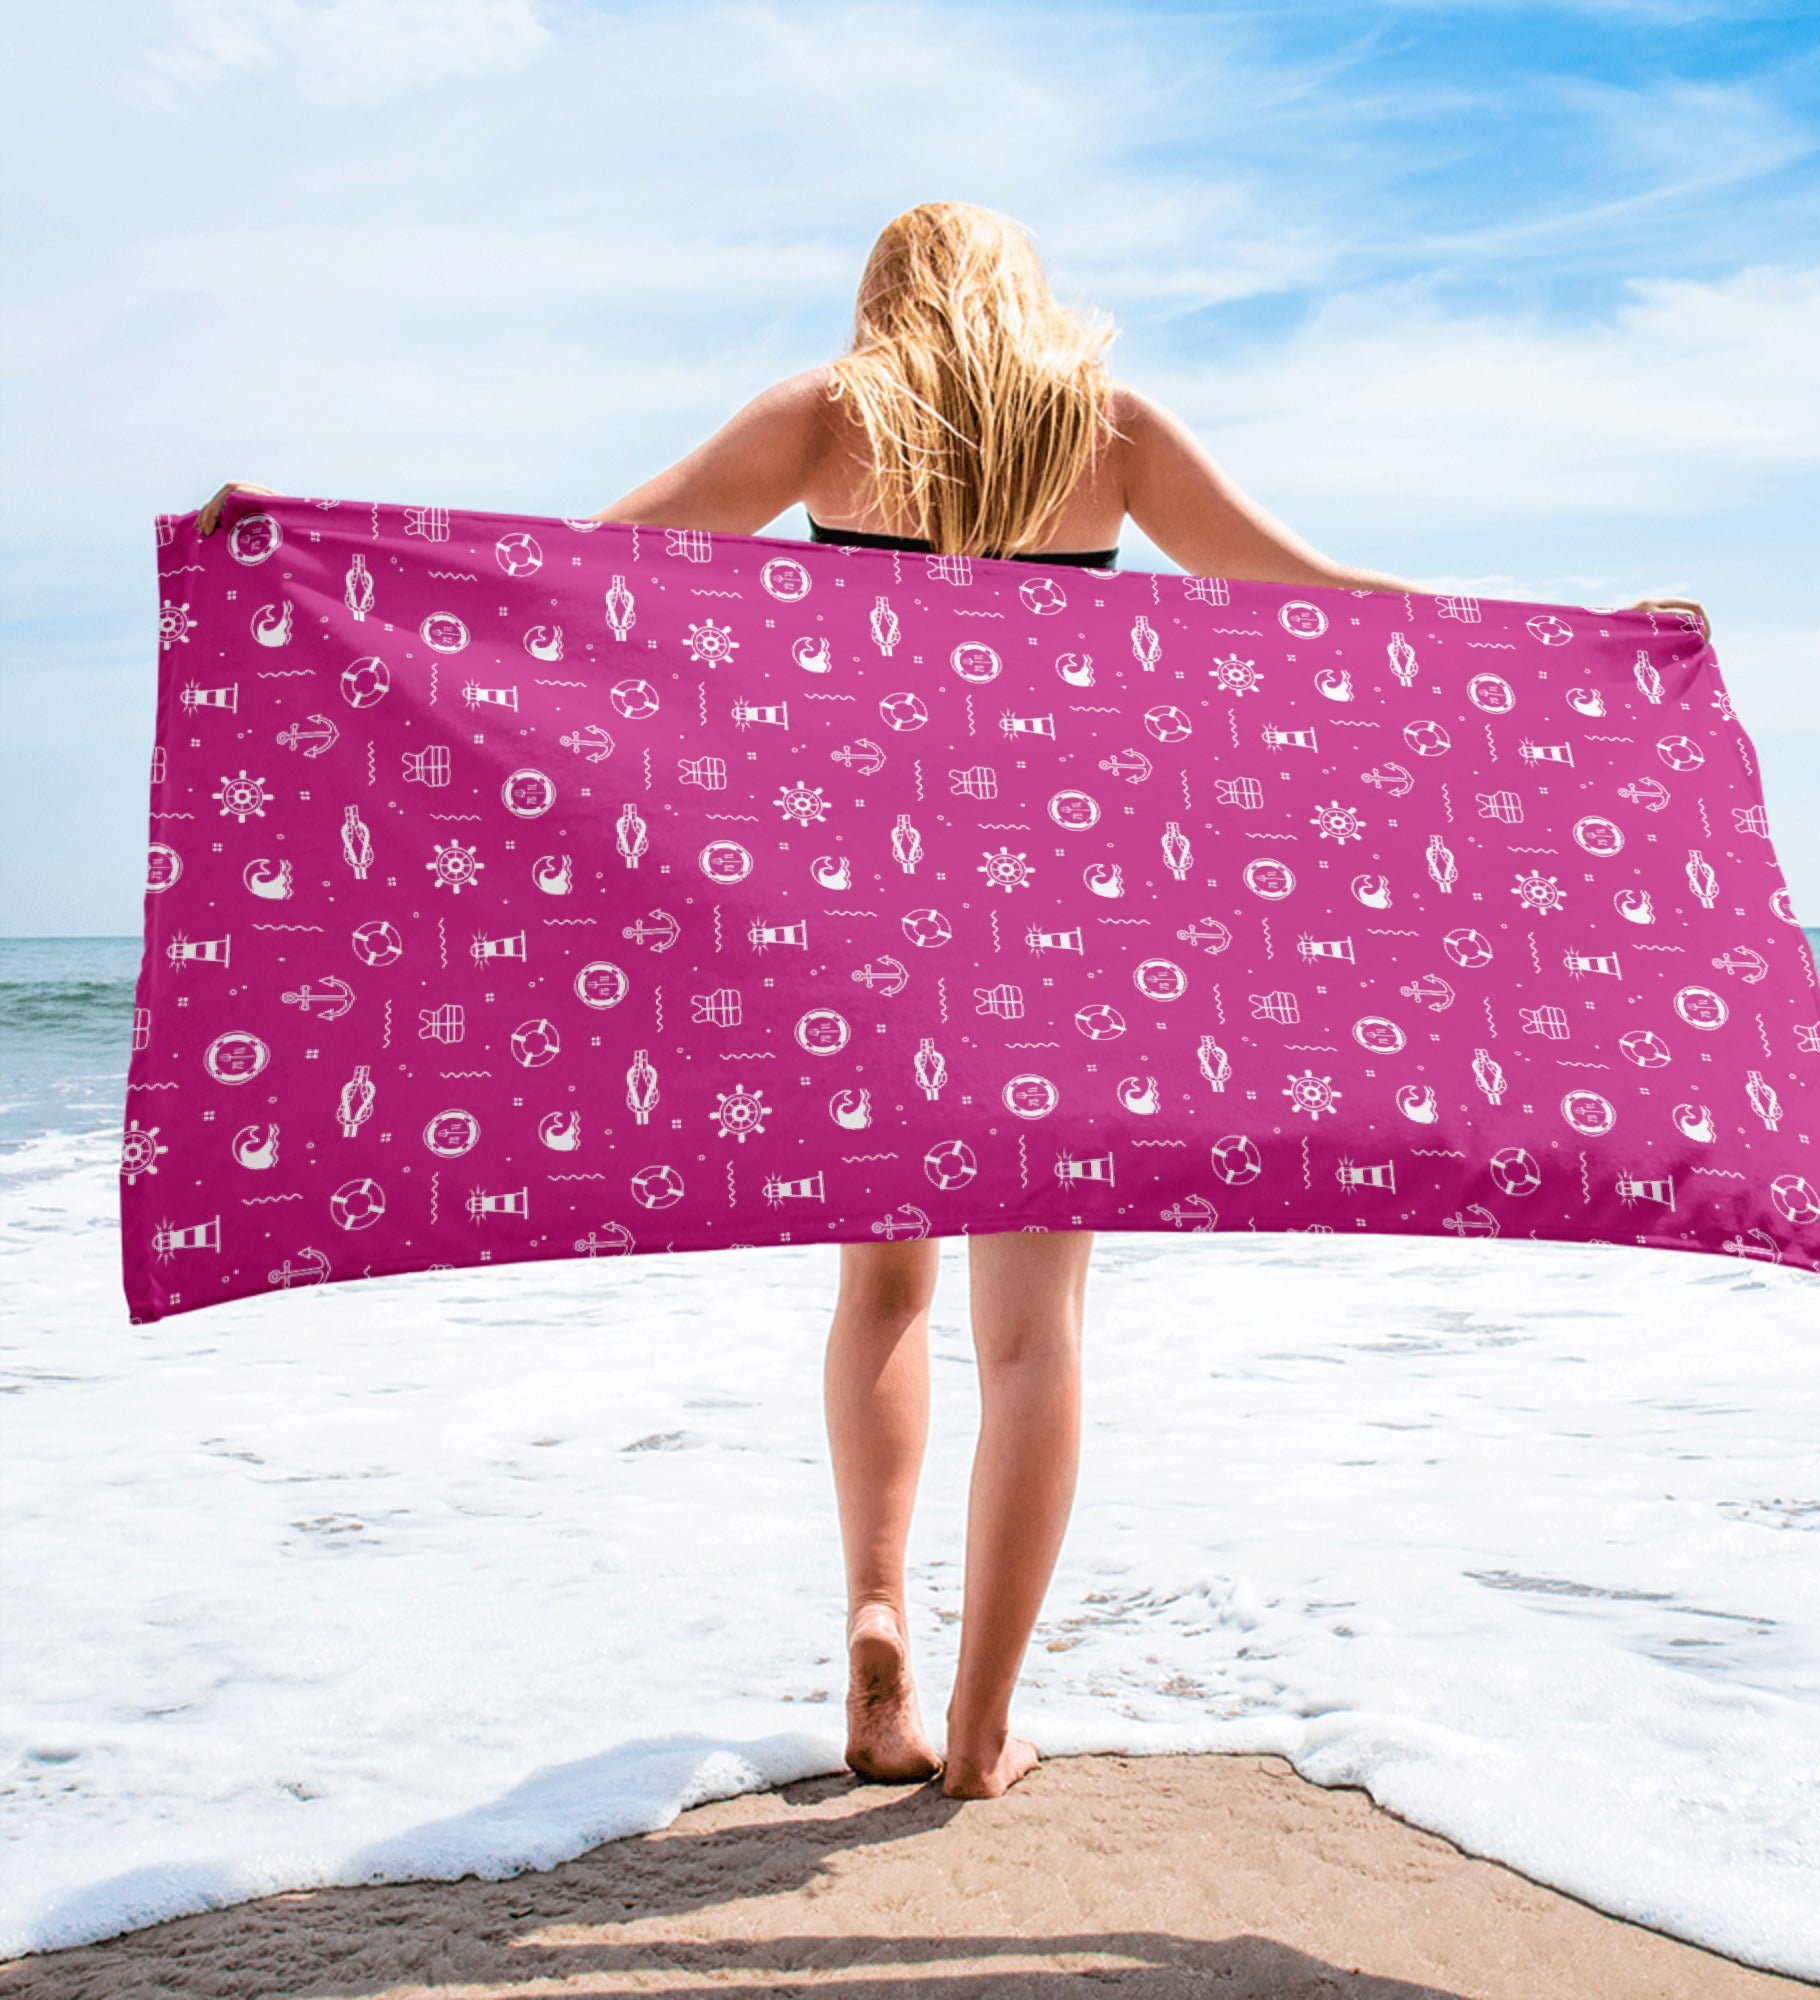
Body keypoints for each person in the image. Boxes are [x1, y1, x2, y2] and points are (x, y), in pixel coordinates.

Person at [198, 201, 1706, 1803]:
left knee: (883, 1295)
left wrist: (310, 552)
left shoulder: (827, 416)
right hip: (1060, 918)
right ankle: (982, 1735)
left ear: (886, 300)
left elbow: (575, 564)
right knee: (1037, 1337)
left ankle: (873, 1619)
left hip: (853, 915)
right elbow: (1321, 596)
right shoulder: (1107, 430)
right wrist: (1581, 643)